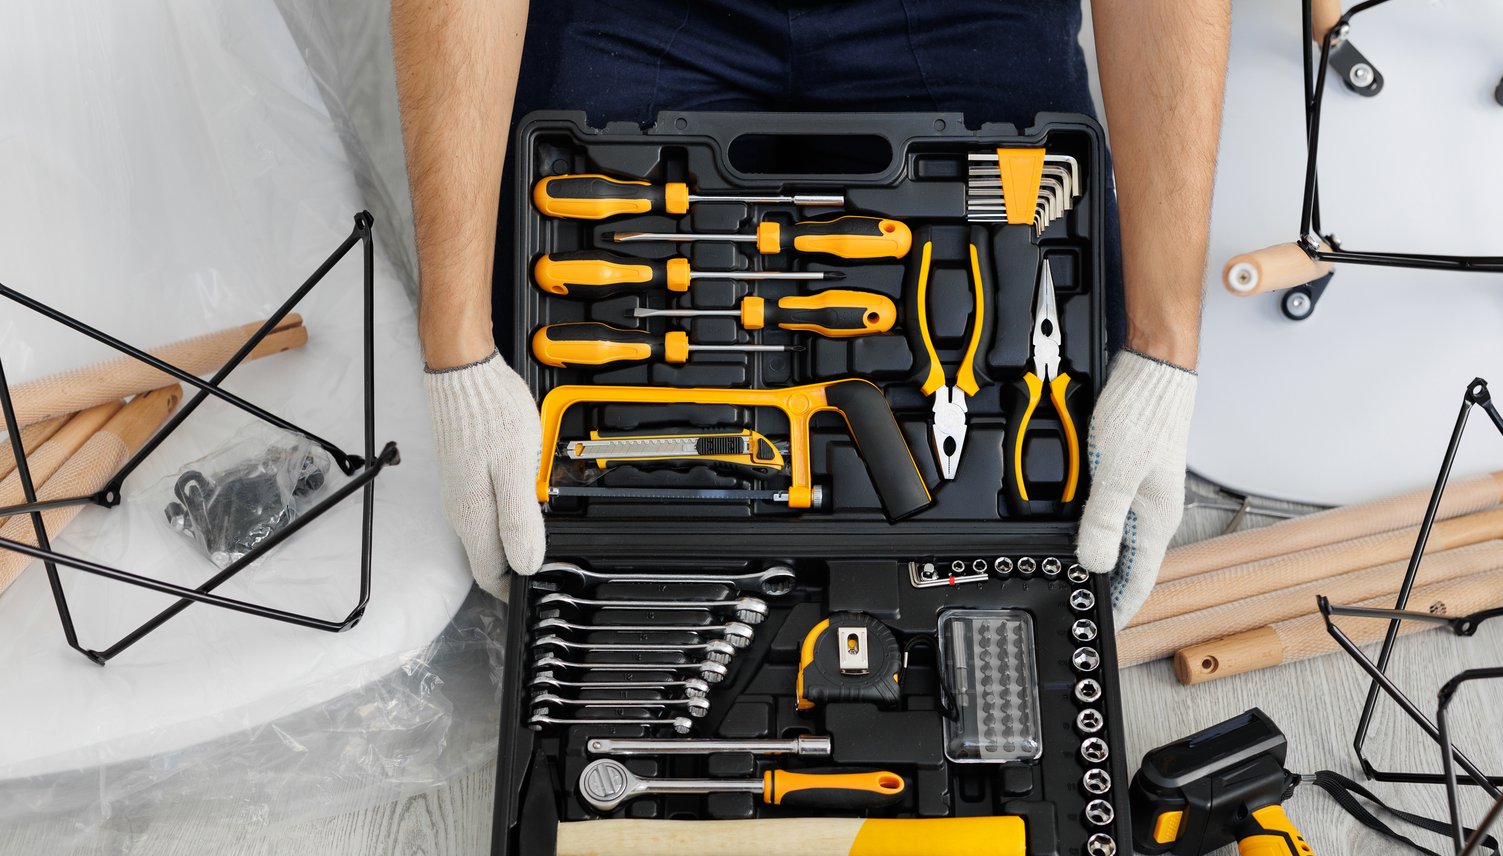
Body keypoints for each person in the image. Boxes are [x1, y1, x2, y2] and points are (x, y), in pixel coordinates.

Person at [395, 0, 1228, 626]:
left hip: (968, 15)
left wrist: (1163, 353)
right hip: (636, 14)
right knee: (591, 542)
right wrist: (460, 354)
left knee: (1041, 547)